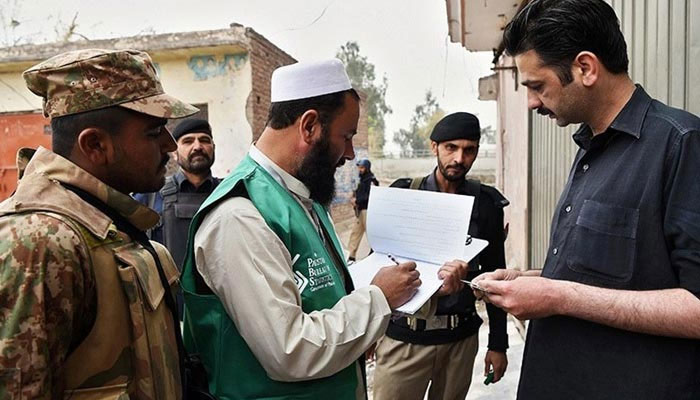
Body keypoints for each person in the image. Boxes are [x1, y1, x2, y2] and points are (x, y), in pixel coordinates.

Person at [181, 59, 462, 399]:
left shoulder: (302, 197)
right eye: (345, 136)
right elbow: (290, 349)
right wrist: (378, 299)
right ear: (309, 126)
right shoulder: (239, 216)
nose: (349, 152)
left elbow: (324, 292)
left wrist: (418, 285)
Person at [473, 1, 700, 399]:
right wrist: (529, 281)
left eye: (536, 86)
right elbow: (607, 274)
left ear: (585, 68)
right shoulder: (588, 147)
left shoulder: (681, 145)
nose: (531, 102)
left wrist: (557, 295)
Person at [0, 49, 198, 399]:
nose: (171, 145)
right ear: (95, 145)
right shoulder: (40, 242)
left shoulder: (110, 225)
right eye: (154, 133)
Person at [372, 112, 510, 400]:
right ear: (434, 147)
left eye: (469, 149)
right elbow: (378, 267)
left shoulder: (486, 204)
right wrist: (369, 330)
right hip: (404, 340)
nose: (460, 158)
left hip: (458, 343)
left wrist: (498, 344)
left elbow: (497, 275)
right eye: (451, 148)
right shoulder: (404, 193)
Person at [133, 119, 221, 319]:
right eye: (188, 141)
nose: (197, 146)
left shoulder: (229, 193)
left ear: (213, 148)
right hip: (167, 312)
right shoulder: (151, 195)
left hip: (219, 311)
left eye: (204, 140)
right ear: (174, 151)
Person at [347, 158, 378, 262]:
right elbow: (357, 191)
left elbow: (370, 196)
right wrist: (353, 197)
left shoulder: (371, 180)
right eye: (359, 167)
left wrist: (357, 200)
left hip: (368, 211)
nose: (360, 169)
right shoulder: (360, 179)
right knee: (355, 233)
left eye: (362, 167)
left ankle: (375, 254)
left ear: (367, 168)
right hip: (360, 210)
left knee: (372, 234)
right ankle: (351, 256)